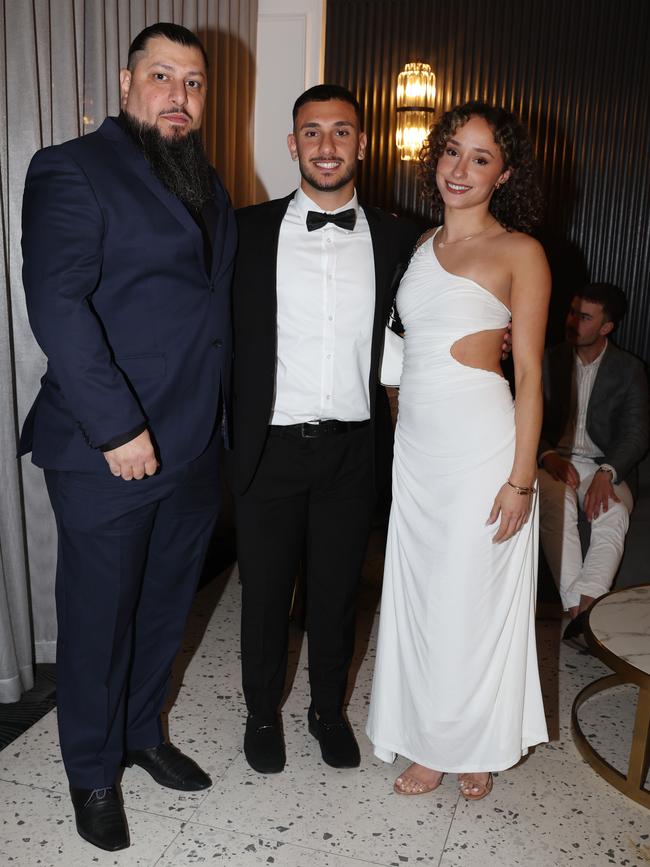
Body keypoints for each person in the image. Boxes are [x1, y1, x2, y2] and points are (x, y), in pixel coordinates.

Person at [20, 23, 236, 851]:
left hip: (190, 447)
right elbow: (58, 306)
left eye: (194, 82)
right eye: (162, 76)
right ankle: (90, 770)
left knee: (161, 610)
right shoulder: (72, 169)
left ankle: (142, 732)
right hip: (106, 448)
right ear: (125, 82)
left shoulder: (208, 183)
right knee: (98, 619)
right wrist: (118, 428)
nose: (179, 96)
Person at [228, 85, 419, 774]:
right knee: (265, 597)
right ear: (293, 144)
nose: (327, 145)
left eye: (342, 131)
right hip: (269, 448)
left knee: (338, 594)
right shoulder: (244, 232)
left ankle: (326, 711)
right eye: (313, 132)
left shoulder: (402, 236)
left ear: (362, 143)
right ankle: (259, 712)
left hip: (352, 451)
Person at [366, 101, 551, 800]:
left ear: (504, 174)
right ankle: (428, 738)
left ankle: (471, 740)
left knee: (472, 600)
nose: (461, 169)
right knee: (420, 598)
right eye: (451, 152)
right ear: (433, 159)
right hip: (416, 450)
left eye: (480, 158)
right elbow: (400, 348)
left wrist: (522, 477)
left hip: (482, 448)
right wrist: (396, 416)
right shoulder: (419, 247)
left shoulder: (520, 252)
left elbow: (530, 372)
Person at [538, 284, 649, 646]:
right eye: (571, 312)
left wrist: (608, 472)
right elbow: (525, 420)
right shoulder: (546, 360)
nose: (572, 322)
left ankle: (582, 613)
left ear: (606, 327)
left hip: (605, 465)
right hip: (556, 461)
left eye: (584, 317)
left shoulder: (629, 369)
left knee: (613, 514)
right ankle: (583, 619)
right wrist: (548, 456)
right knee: (559, 505)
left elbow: (636, 433)